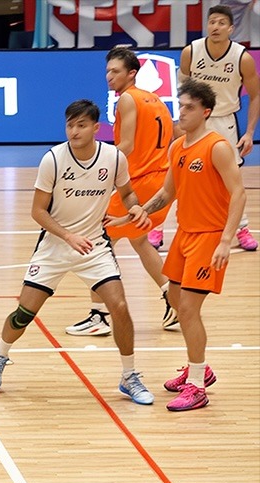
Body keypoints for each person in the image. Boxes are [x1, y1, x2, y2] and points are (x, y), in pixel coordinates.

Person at [0, 99, 155, 406]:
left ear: (96, 128)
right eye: (70, 125)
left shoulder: (113, 158)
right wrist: (67, 235)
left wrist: (136, 207)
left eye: (81, 125)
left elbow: (126, 192)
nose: (74, 131)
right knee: (24, 314)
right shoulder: (54, 160)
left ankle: (129, 375)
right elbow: (37, 211)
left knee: (120, 306)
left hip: (95, 247)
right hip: (55, 247)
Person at [123, 80, 247, 412]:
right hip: (185, 235)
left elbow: (239, 193)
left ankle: (196, 387)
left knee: (189, 310)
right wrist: (137, 211)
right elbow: (167, 193)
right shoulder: (177, 147)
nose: (182, 113)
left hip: (209, 236)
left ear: (206, 112)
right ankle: (200, 369)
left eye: (189, 107)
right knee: (176, 301)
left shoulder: (217, 147)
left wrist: (225, 240)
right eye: (180, 106)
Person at [66, 47, 179, 338]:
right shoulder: (154, 99)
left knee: (97, 242)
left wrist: (91, 166)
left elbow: (126, 146)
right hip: (159, 180)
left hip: (139, 183)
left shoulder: (127, 99)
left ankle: (99, 315)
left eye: (115, 71)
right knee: (141, 241)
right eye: (107, 71)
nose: (109, 76)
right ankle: (175, 302)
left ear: (131, 73)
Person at [162, 5, 258, 251]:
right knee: (180, 175)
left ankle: (241, 227)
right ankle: (158, 227)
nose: (215, 27)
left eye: (221, 23)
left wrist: (248, 132)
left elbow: (255, 95)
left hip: (224, 120)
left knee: (231, 180)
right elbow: (180, 92)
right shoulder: (191, 52)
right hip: (194, 121)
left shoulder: (242, 57)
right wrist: (178, 121)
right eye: (212, 22)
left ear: (231, 28)